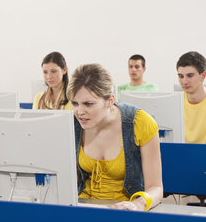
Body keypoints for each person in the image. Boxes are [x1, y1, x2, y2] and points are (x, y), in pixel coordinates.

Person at [67, 63, 163, 211]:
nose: (79, 111)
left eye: (88, 104)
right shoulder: (73, 123)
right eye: (74, 103)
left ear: (110, 100)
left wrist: (137, 204)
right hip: (83, 207)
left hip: (125, 210)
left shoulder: (140, 123)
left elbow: (156, 188)